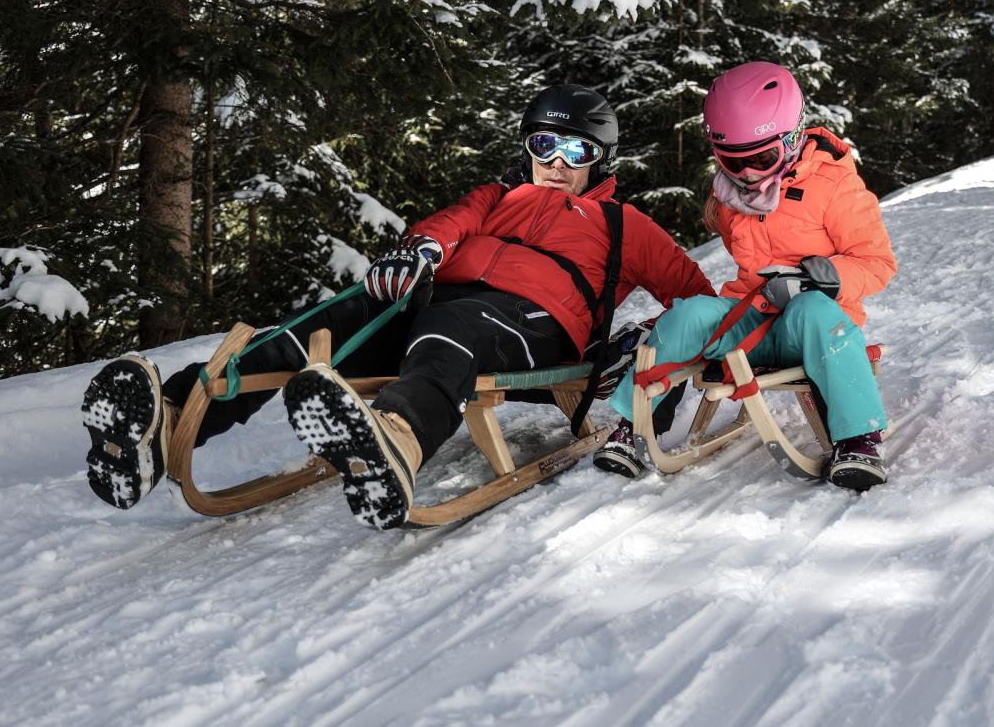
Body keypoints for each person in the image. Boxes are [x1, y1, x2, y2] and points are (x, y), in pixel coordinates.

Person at [81, 84, 715, 529]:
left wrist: (643, 341)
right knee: (328, 326)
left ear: (599, 160)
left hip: (535, 327)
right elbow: (446, 224)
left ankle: (398, 440)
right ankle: (169, 418)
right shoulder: (498, 195)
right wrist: (419, 252)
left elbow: (698, 301)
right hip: (443, 302)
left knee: (451, 329)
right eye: (543, 144)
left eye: (574, 151)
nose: (554, 163)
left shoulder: (624, 224)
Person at [598, 61, 897, 491]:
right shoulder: (729, 196)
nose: (747, 173)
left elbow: (878, 263)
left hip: (810, 324)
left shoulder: (835, 188)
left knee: (813, 308)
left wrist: (828, 277)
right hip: (752, 319)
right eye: (730, 161)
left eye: (761, 158)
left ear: (792, 138)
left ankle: (858, 437)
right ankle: (635, 424)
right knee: (689, 314)